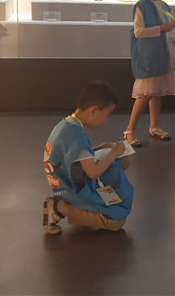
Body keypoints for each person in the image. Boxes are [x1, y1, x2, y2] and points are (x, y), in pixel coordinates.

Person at [43, 81, 134, 234]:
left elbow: (72, 156)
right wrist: (114, 153)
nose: (106, 120)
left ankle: (83, 209)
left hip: (64, 178)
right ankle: (59, 207)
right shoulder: (76, 136)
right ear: (94, 110)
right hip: (69, 188)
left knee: (123, 159)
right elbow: (93, 173)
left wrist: (99, 148)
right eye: (107, 115)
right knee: (116, 222)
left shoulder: (67, 124)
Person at [124, 0, 175, 146]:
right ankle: (129, 130)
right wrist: (162, 28)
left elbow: (165, 27)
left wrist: (170, 26)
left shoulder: (162, 5)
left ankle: (154, 126)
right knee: (145, 93)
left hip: (162, 51)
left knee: (158, 92)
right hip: (149, 54)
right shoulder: (141, 5)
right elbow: (138, 32)